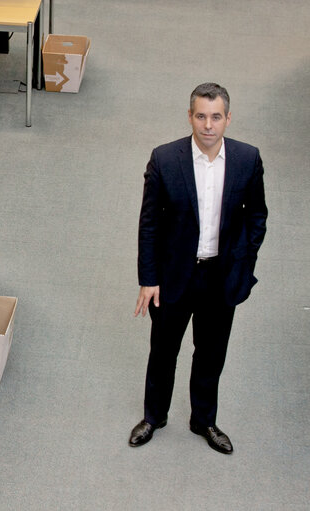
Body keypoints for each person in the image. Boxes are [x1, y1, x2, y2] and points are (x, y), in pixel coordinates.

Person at [130, 83, 268, 454]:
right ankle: (153, 416)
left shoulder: (247, 159)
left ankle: (204, 420)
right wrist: (149, 279)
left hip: (221, 276)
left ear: (228, 118)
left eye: (216, 116)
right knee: (163, 351)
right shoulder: (164, 159)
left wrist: (243, 260)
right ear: (190, 116)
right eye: (201, 116)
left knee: (211, 352)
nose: (208, 125)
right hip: (174, 275)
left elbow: (257, 217)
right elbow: (149, 225)